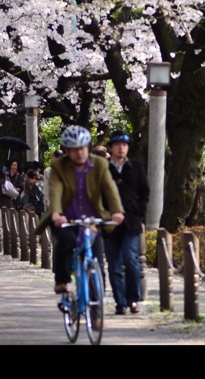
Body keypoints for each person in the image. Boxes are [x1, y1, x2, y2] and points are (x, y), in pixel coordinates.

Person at [35, 125, 125, 301]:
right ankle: (61, 280)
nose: (79, 152)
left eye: (82, 148)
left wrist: (117, 211)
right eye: (74, 149)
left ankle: (96, 304)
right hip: (65, 218)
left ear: (88, 147)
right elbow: (56, 190)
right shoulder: (59, 166)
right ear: (67, 150)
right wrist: (57, 213)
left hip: (92, 218)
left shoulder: (99, 164)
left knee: (97, 260)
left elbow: (110, 188)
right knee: (66, 242)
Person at [103, 131, 150, 315]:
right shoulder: (104, 169)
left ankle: (133, 299)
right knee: (114, 265)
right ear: (111, 147)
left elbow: (145, 193)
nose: (121, 147)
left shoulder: (136, 168)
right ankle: (120, 302)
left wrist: (140, 213)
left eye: (124, 144)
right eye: (117, 144)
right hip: (109, 222)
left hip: (131, 221)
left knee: (131, 259)